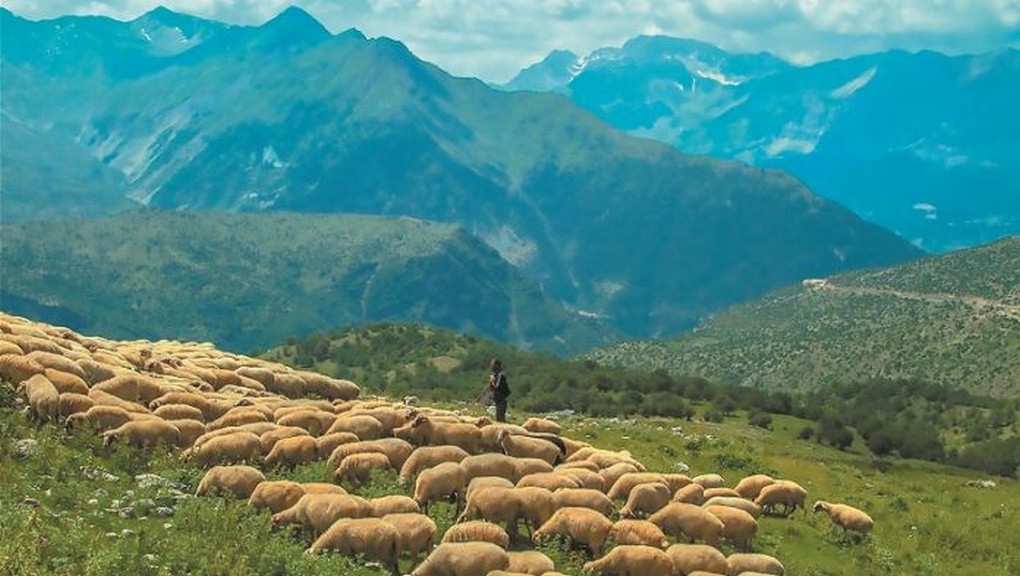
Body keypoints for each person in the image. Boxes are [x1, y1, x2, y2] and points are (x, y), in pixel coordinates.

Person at [487, 358, 511, 422]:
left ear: (497, 365)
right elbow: (492, 389)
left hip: (501, 401)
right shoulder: (496, 375)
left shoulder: (501, 376)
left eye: (493, 364)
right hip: (497, 401)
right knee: (498, 419)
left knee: (500, 419)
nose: (491, 366)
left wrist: (492, 382)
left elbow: (497, 387)